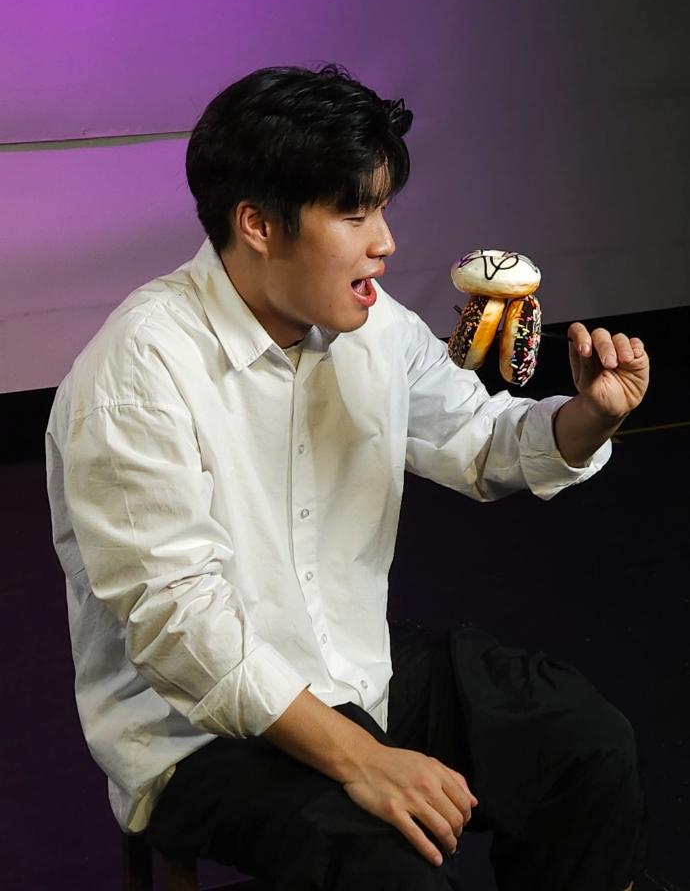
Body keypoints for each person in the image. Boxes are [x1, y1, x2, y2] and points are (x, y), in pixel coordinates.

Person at [46, 64, 649, 890]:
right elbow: (180, 630)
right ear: (258, 223)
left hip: (349, 667)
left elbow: (480, 442)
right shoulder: (136, 371)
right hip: (194, 731)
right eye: (355, 214)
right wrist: (365, 759)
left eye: (383, 209)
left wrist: (590, 416)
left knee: (586, 744)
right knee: (393, 870)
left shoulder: (374, 327)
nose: (385, 242)